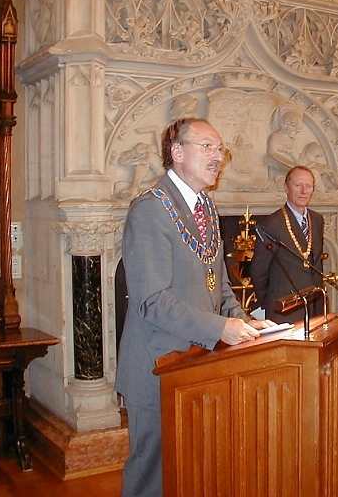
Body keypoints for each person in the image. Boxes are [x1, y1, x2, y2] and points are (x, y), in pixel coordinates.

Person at [115, 117, 273, 497]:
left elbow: (219, 286)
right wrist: (220, 329)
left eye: (220, 149)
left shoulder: (206, 207)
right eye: (207, 147)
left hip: (197, 363)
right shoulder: (150, 210)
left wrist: (244, 322)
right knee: (153, 479)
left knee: (192, 472)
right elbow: (151, 301)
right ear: (177, 152)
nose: (218, 156)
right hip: (158, 366)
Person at [250, 165, 324, 323]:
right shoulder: (271, 224)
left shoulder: (317, 220)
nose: (304, 191)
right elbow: (258, 271)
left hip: (314, 307)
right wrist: (270, 304)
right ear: (286, 188)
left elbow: (315, 263)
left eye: (308, 186)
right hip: (285, 310)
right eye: (298, 185)